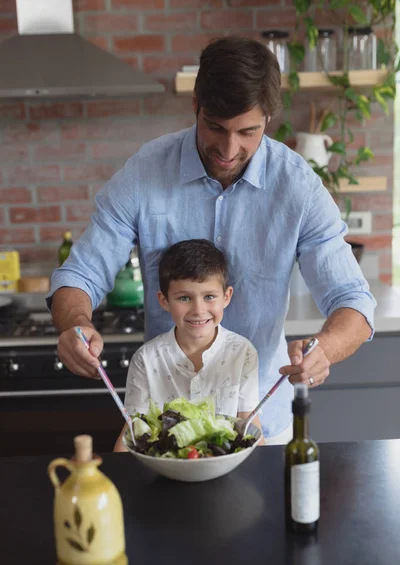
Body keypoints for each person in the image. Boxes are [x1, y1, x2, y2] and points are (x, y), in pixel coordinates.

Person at [47, 35, 375, 444]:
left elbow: (353, 300)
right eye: (215, 127)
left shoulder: (299, 188)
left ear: (269, 118)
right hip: (164, 428)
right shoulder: (144, 173)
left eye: (247, 132)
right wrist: (75, 324)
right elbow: (81, 273)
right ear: (195, 106)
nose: (228, 148)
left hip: (262, 424)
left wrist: (325, 347)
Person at [113, 239, 263, 452]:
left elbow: (250, 427)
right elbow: (132, 432)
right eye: (184, 298)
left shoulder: (243, 353)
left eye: (209, 296)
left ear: (226, 297)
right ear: (164, 301)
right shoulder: (145, 359)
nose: (198, 310)